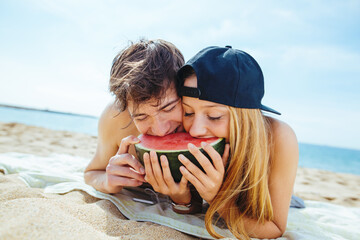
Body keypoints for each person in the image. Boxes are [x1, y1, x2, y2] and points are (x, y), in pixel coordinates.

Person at [144, 46, 299, 239]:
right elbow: (193, 207)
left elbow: (274, 228)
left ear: (245, 117)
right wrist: (181, 198)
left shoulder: (279, 137)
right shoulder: (181, 128)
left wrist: (218, 198)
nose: (195, 129)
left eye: (215, 116)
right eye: (188, 112)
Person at [84, 39, 185, 194]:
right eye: (141, 117)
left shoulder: (206, 116)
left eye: (169, 108)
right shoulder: (115, 116)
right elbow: (91, 174)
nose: (160, 130)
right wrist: (107, 182)